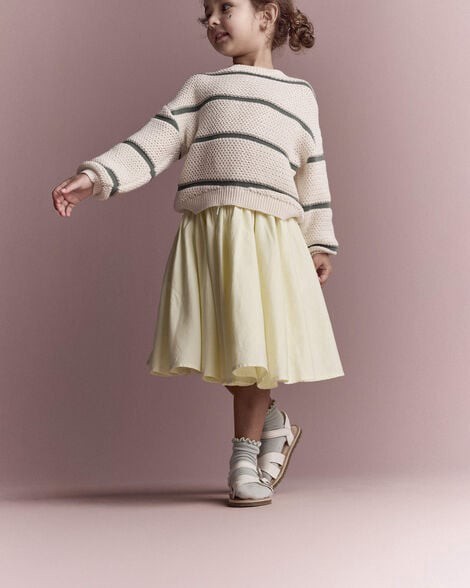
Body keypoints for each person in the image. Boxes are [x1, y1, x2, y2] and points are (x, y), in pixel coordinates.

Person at [51, 0, 345, 508]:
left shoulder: (299, 96)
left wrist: (318, 240)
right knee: (220, 347)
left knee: (253, 350)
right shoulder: (202, 87)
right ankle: (273, 422)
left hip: (269, 237)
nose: (211, 20)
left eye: (225, 8)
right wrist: (95, 177)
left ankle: (243, 459)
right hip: (208, 236)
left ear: (267, 15)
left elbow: (312, 173)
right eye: (205, 13)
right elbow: (154, 141)